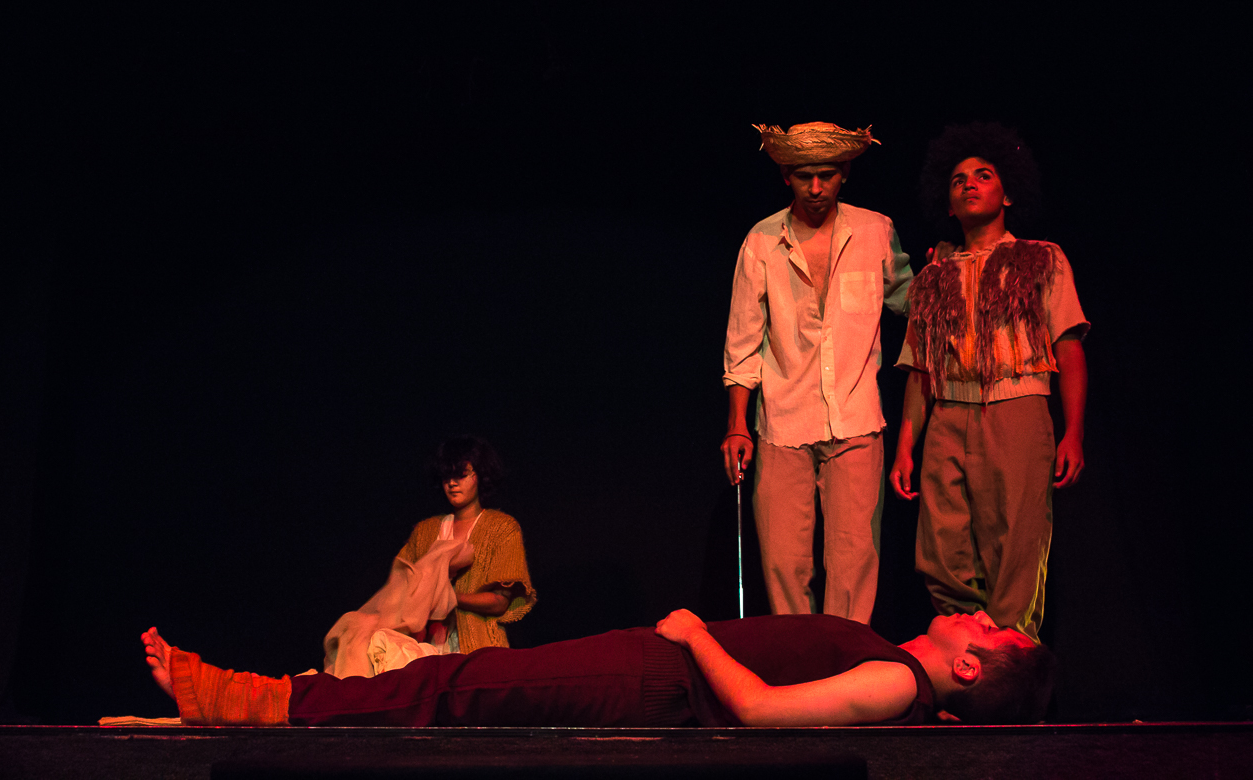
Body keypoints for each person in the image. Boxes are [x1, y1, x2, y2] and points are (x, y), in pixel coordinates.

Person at [140, 608, 1056, 728]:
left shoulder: (896, 682)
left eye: (994, 629)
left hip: (661, 679)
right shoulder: (896, 666)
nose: (979, 613)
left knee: (459, 688)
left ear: (972, 667)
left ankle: (249, 700)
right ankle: (264, 697)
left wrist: (695, 636)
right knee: (459, 683)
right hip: (653, 668)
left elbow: (760, 711)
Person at [889, 123, 1089, 642]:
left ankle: (1011, 656)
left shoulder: (1041, 258)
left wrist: (1073, 432)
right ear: (948, 203)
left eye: (983, 175)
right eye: (958, 180)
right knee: (941, 547)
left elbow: (1069, 348)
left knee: (1015, 543)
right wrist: (906, 446)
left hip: (1017, 406)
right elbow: (921, 368)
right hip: (947, 416)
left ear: (1008, 192)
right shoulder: (933, 276)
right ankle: (969, 652)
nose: (969, 184)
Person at [723, 122, 912, 621]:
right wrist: (737, 425)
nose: (815, 188)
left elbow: (910, 300)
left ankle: (845, 660)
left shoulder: (875, 230)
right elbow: (742, 344)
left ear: (844, 172)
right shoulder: (762, 240)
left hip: (856, 420)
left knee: (854, 562)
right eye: (804, 176)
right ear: (785, 176)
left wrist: (945, 278)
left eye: (825, 175)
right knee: (784, 564)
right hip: (783, 423)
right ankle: (799, 660)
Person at [321, 436, 536, 677]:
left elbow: (499, 602)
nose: (452, 483)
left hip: (478, 648)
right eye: (446, 477)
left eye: (461, 475)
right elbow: (400, 590)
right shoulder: (425, 532)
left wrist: (448, 596)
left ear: (480, 475)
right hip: (422, 649)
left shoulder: (502, 528)